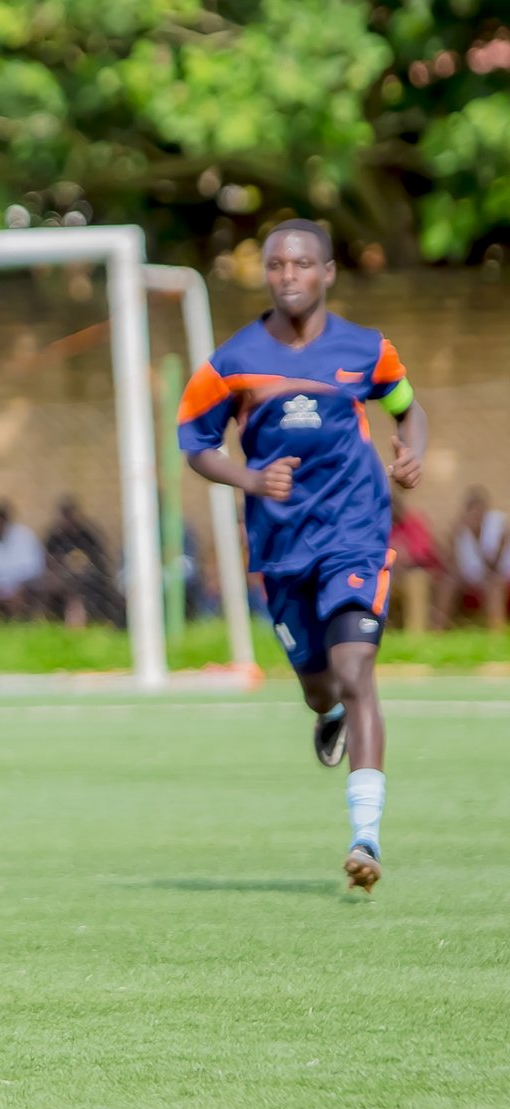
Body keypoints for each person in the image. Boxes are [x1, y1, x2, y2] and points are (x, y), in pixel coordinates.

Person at [178, 218, 427, 893]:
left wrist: (413, 451)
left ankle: (365, 837)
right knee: (321, 687)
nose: (289, 275)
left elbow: (408, 407)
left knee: (356, 670)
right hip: (282, 547)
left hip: (355, 532)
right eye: (277, 265)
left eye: (302, 264)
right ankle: (328, 714)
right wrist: (251, 479)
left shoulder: (366, 350)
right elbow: (196, 443)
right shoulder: (232, 361)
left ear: (328, 273)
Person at [41, 496, 116, 628]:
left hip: (86, 578)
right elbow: (48, 560)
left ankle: (83, 618)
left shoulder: (87, 535)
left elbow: (98, 559)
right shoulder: (55, 537)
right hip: (61, 577)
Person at [449, 488, 508, 632]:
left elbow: (493, 566)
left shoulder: (499, 524)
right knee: (447, 582)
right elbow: (455, 563)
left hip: (499, 574)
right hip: (472, 577)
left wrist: (476, 536)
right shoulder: (461, 527)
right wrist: (454, 538)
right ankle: (438, 629)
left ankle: (496, 630)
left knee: (493, 584)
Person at [387, 497, 447, 633]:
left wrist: (399, 560)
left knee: (416, 579)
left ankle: (416, 633)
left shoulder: (414, 523)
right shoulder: (380, 527)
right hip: (391, 574)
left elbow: (420, 556)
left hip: (415, 572)